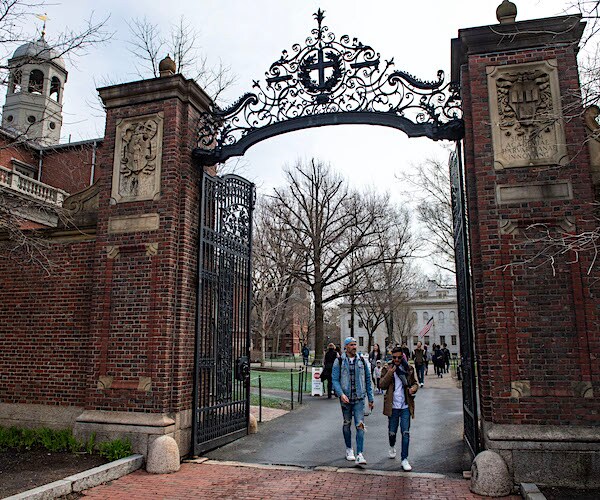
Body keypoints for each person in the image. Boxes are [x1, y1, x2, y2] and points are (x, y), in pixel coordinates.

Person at [331, 337, 374, 465]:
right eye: (351, 345)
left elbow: (368, 379)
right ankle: (349, 449)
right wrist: (341, 394)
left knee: (360, 425)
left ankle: (360, 453)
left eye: (355, 344)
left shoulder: (361, 360)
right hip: (346, 399)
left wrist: (370, 398)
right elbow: (335, 379)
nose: (354, 347)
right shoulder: (339, 361)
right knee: (347, 423)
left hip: (359, 398)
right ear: (346, 347)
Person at [380, 346, 418, 471]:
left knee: (405, 432)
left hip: (405, 405)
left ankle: (404, 459)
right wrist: (390, 372)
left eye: (399, 357)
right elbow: (382, 385)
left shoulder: (408, 369)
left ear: (403, 357)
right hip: (393, 406)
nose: (396, 360)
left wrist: (413, 389)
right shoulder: (387, 368)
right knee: (392, 432)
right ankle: (392, 445)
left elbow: (415, 383)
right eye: (394, 357)